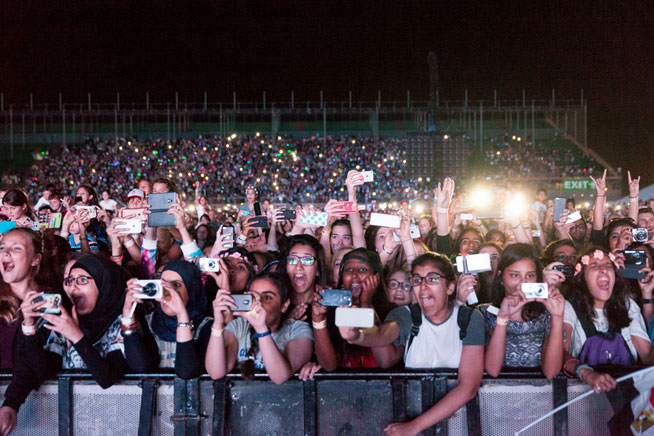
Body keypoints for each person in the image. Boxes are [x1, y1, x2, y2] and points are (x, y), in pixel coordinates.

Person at [383, 252, 485, 435]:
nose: (423, 286)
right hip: (411, 414)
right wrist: (357, 335)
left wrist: (414, 426)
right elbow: (382, 335)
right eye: (417, 280)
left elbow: (469, 386)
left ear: (450, 287)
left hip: (458, 423)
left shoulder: (468, 318)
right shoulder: (407, 315)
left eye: (432, 279)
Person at [562, 247, 654, 394]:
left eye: (608, 265)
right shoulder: (569, 306)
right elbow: (561, 352)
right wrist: (586, 373)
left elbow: (647, 354)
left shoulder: (627, 305)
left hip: (625, 393)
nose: (603, 270)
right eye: (594, 266)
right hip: (582, 393)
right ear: (582, 278)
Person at [205, 272, 313, 384]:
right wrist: (218, 324)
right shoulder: (240, 326)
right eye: (253, 297)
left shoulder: (298, 329)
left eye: (267, 297)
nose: (259, 304)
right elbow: (215, 372)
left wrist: (261, 329)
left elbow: (280, 377)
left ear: (284, 305)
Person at [479, 243, 565, 378]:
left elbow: (551, 372)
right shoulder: (484, 313)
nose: (523, 283)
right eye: (514, 275)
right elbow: (492, 369)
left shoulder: (547, 313)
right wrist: (502, 317)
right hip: (495, 393)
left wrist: (558, 316)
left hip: (541, 393)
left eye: (530, 276)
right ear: (501, 277)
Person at [123, 260, 209, 377]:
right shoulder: (147, 322)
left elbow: (187, 371)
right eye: (162, 285)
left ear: (192, 289)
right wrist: (127, 313)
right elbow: (140, 367)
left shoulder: (207, 326)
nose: (167, 292)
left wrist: (181, 315)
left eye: (176, 285)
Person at [279, 235, 328, 321]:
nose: (299, 267)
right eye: (292, 259)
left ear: (317, 270)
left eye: (307, 260)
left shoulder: (327, 306)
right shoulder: (277, 305)